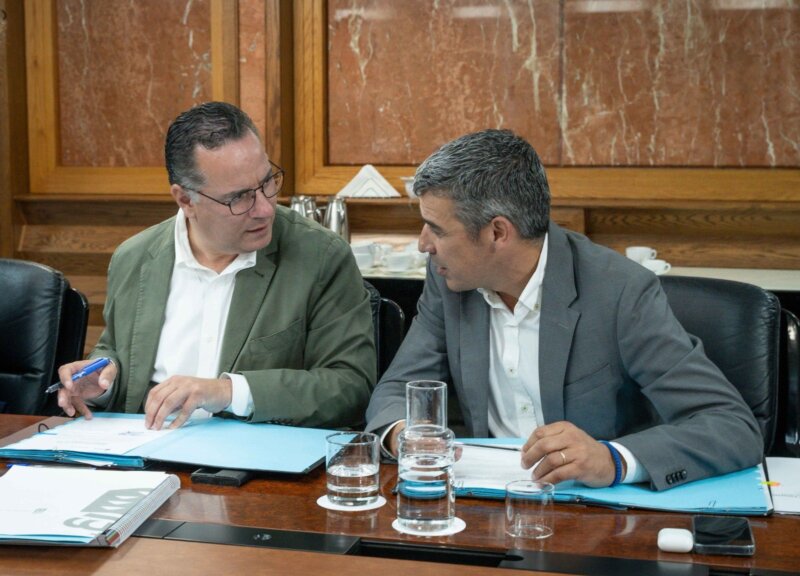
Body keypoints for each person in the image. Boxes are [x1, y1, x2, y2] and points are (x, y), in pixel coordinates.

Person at [365, 129, 762, 491]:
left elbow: (731, 426)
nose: (422, 244)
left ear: (497, 233)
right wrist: (403, 433)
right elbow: (400, 388)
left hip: (594, 519)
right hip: (477, 507)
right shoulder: (450, 282)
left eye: (436, 228)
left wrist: (613, 460)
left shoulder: (620, 292)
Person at [57, 102, 376, 430]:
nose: (265, 209)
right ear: (185, 200)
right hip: (145, 452)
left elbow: (350, 386)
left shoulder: (320, 256)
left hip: (254, 463)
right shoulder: (134, 258)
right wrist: (99, 384)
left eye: (267, 183)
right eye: (239, 198)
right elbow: (118, 358)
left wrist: (228, 391)